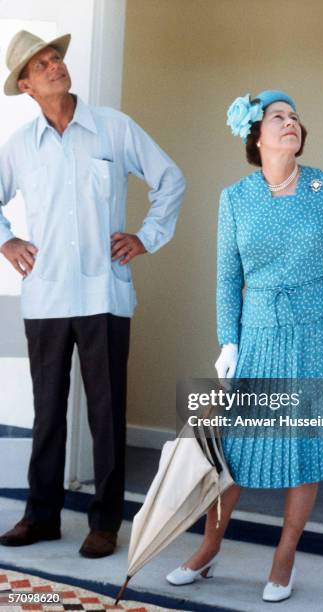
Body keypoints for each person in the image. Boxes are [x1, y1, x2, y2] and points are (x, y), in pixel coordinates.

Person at [166, 90, 323, 601]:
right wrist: (228, 342)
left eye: (295, 117)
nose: (290, 123)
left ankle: (285, 555)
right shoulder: (236, 198)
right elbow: (227, 279)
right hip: (258, 334)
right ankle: (208, 549)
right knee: (234, 449)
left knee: (307, 445)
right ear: (257, 135)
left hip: (320, 334)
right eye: (278, 117)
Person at [0, 30, 185, 558]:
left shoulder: (113, 128)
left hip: (105, 294)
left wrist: (145, 237)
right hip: (46, 297)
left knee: (106, 412)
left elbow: (170, 179)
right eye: (41, 64)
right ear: (27, 86)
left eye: (56, 57)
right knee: (48, 412)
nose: (55, 65)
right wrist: (6, 240)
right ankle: (41, 517)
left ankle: (104, 523)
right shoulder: (19, 148)